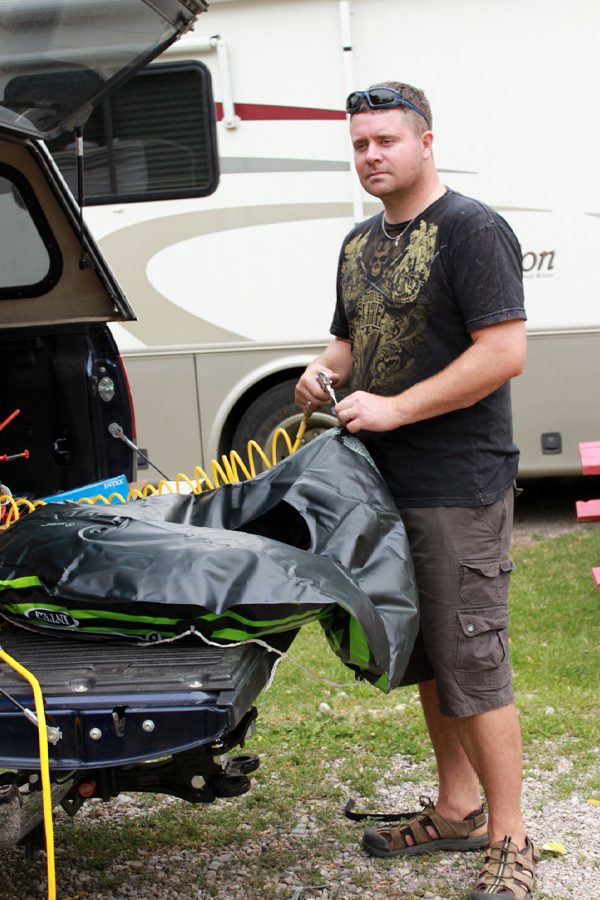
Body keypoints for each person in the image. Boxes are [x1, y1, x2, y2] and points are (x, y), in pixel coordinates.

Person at [295, 82, 538, 900]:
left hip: (457, 482)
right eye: (360, 144)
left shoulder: (472, 229)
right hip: (384, 487)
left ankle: (511, 838)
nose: (371, 156)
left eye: (386, 142)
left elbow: (502, 352)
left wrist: (397, 408)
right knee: (430, 655)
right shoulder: (360, 242)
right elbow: (348, 341)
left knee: (472, 658)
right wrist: (321, 372)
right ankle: (458, 806)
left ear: (425, 142)